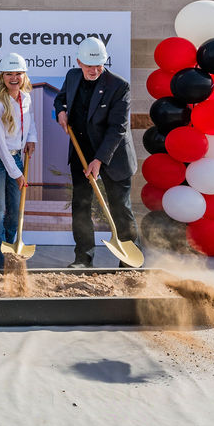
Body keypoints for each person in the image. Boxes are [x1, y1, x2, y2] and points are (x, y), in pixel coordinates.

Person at [54, 37, 139, 268]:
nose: (94, 70)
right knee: (81, 205)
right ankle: (83, 258)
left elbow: (117, 128)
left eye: (99, 65)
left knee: (120, 207)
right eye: (89, 65)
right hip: (81, 152)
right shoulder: (72, 77)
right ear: (79, 61)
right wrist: (60, 111)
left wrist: (99, 159)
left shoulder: (119, 86)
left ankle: (130, 262)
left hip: (113, 155)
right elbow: (61, 99)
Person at [0, 53, 37, 269]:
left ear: (24, 75)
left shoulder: (26, 97)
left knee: (14, 211)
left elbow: (30, 120)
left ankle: (11, 250)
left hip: (15, 156)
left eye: (18, 73)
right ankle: (0, 261)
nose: (14, 78)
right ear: (2, 76)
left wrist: (31, 138)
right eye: (9, 73)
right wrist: (16, 172)